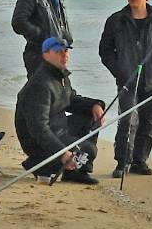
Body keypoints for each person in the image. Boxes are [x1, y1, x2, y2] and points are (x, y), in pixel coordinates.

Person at [98, 0, 152, 178]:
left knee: (147, 122)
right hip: (127, 80)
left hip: (151, 80)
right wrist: (119, 70)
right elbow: (105, 51)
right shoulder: (116, 20)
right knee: (127, 120)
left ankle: (140, 161)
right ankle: (122, 162)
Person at [15, 37, 105, 184]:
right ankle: (39, 163)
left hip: (59, 128)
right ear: (46, 55)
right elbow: (38, 128)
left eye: (66, 51)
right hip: (38, 142)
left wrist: (95, 105)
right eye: (58, 51)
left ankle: (75, 172)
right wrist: (62, 154)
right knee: (89, 150)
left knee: (90, 115)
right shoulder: (40, 85)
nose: (65, 55)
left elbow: (70, 99)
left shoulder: (59, 75)